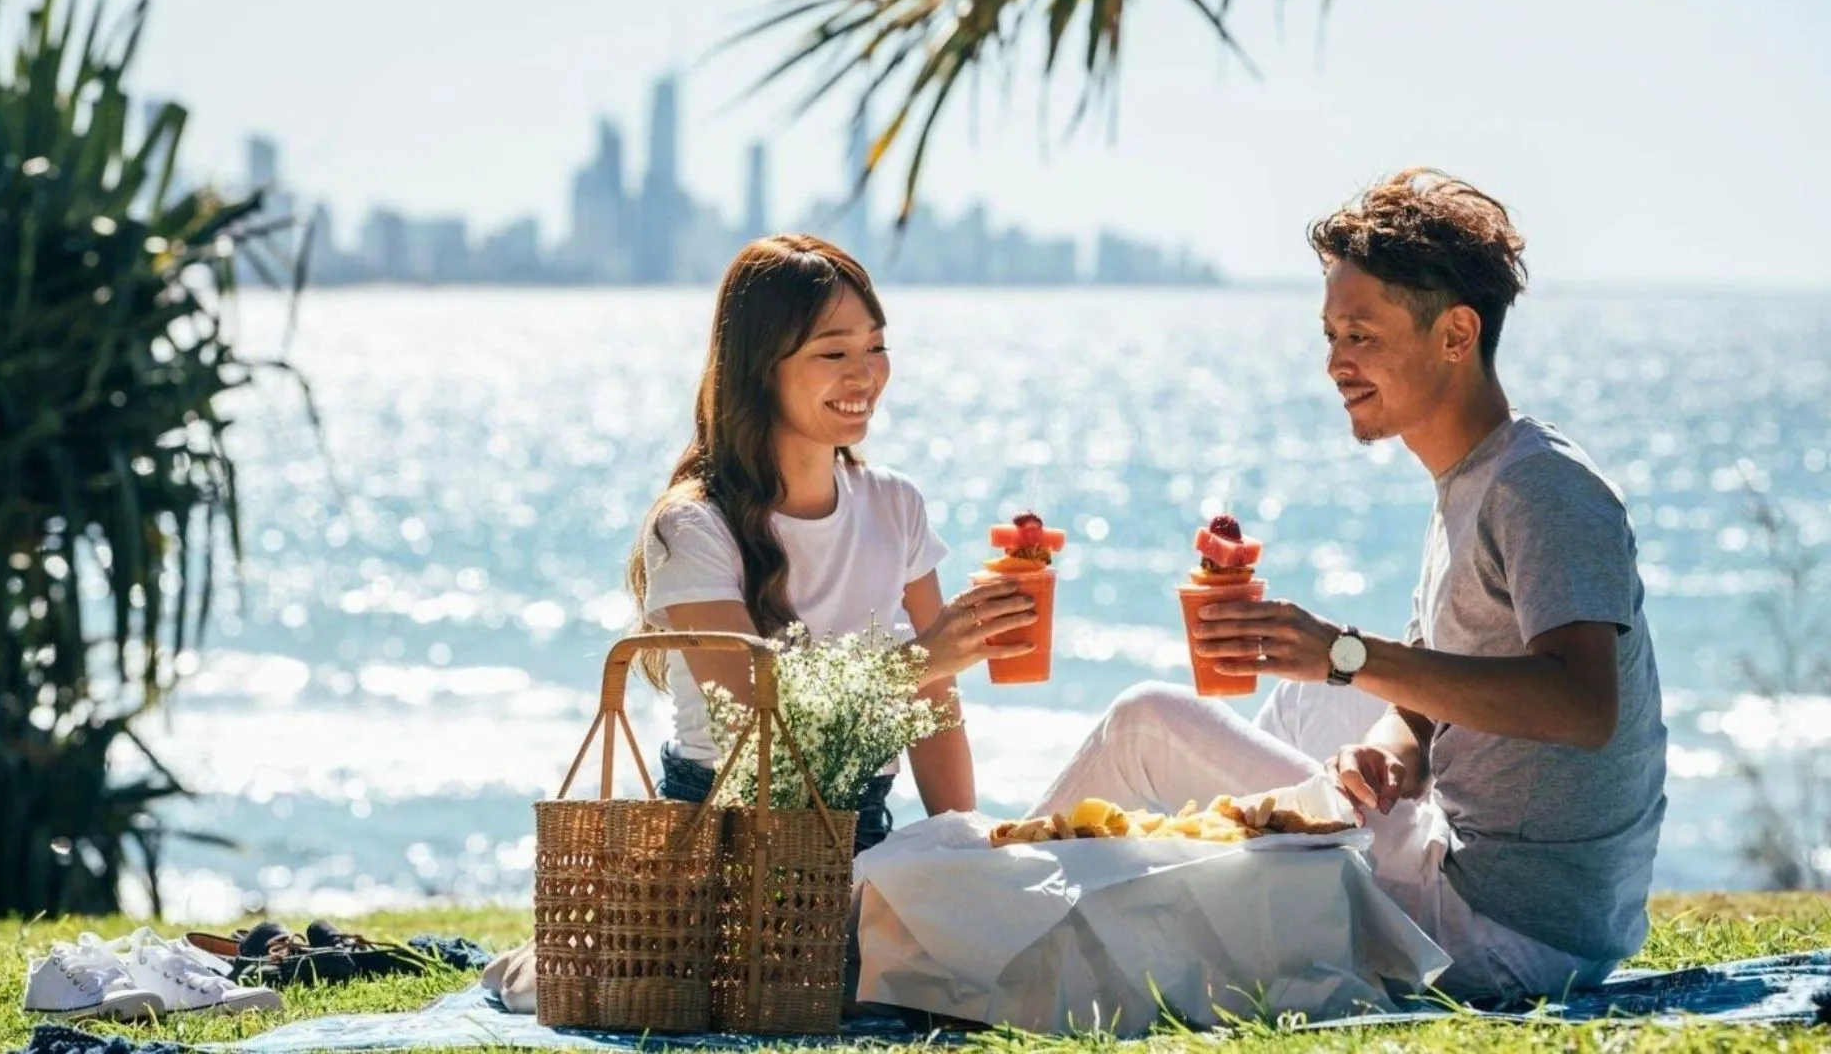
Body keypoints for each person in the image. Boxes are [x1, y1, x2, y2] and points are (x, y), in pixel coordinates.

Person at [1031, 169, 1667, 1003]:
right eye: (1330, 334)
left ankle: (995, 914)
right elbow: (1425, 700)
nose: (1336, 362)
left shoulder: (1540, 487)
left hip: (1512, 934)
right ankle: (1232, 883)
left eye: (1361, 335)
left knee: (1145, 722)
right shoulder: (1473, 480)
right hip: (1481, 872)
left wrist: (1342, 652)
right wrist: (1391, 755)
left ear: (1456, 334)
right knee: (1307, 712)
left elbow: (1582, 708)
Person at [626, 233, 1038, 852]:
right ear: (760, 369)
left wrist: (965, 854)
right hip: (728, 844)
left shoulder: (894, 504)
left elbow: (934, 714)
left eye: (875, 346)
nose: (865, 373)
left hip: (864, 832)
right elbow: (760, 734)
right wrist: (927, 658)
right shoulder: (692, 528)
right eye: (833, 352)